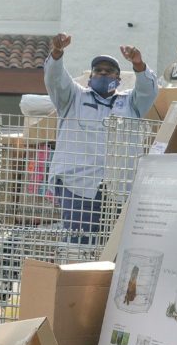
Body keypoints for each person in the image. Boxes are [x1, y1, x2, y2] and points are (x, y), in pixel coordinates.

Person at [44, 32, 157, 244]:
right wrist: (58, 53)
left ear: (118, 80)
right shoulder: (73, 97)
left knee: (115, 246)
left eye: (110, 72)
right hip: (78, 184)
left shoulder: (130, 103)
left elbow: (148, 90)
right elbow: (54, 79)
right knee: (80, 245)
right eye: (98, 71)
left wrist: (139, 65)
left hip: (119, 189)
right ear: (90, 77)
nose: (103, 75)